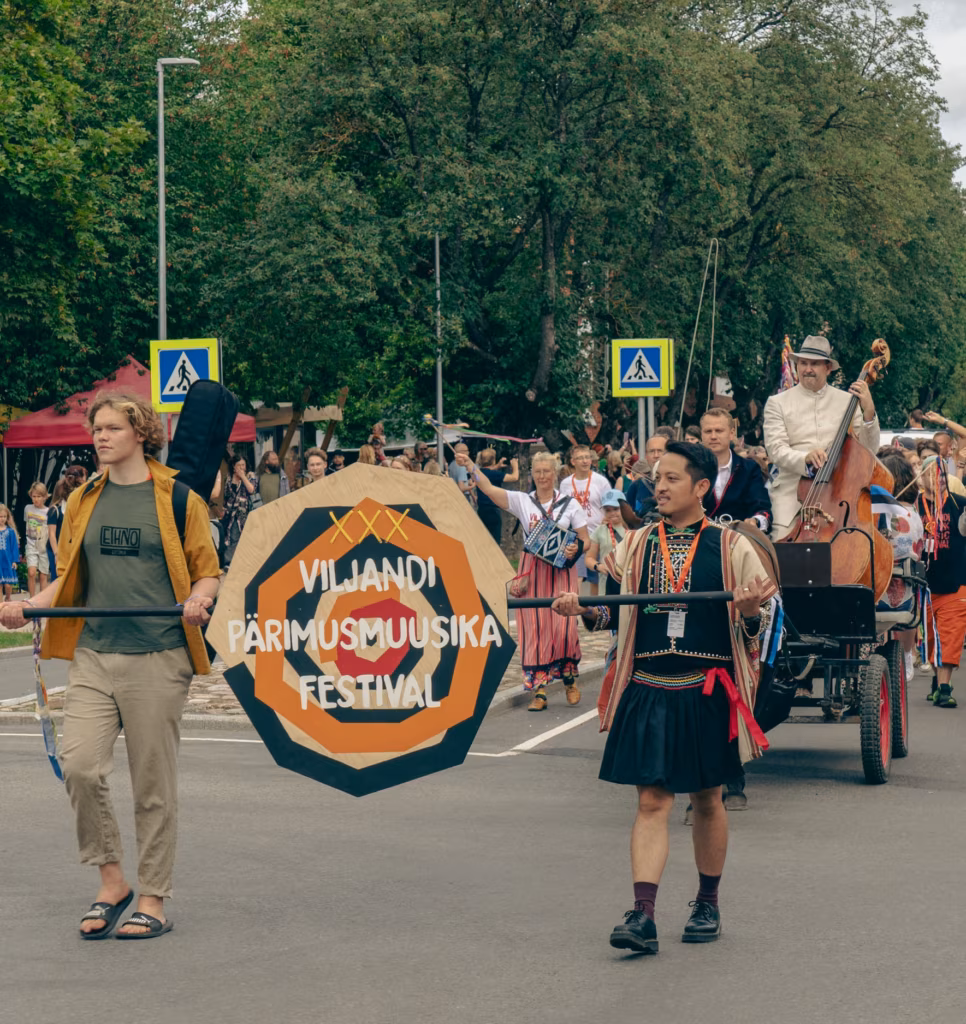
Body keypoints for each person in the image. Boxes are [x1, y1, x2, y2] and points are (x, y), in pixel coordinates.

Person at [0, 390, 220, 939]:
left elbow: (208, 571)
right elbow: (68, 575)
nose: (100, 436)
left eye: (113, 428)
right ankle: (112, 880)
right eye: (96, 428)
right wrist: (30, 606)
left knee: (152, 785)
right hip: (95, 653)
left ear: (140, 433)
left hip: (159, 655)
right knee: (79, 765)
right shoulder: (81, 501)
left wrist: (200, 599)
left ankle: (152, 897)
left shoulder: (178, 499)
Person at [550, 441, 774, 952]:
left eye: (673, 478)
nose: (661, 486)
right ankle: (643, 915)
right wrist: (580, 609)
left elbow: (759, 628)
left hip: (708, 690)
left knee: (707, 798)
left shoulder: (731, 546)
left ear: (701, 487)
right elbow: (611, 613)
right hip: (648, 688)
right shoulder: (634, 544)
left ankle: (707, 903)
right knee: (651, 800)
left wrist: (747, 611)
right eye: (657, 477)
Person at [457, 450, 589, 710]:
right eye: (538, 472)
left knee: (564, 626)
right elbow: (489, 490)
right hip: (534, 570)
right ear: (533, 475)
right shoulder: (523, 501)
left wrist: (577, 547)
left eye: (546, 472)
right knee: (536, 628)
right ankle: (539, 691)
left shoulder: (570, 504)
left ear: (555, 473)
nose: (542, 476)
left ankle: (569, 679)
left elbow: (585, 538)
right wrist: (471, 466)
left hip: (561, 569)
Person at [763, 335, 879, 539]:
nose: (807, 368)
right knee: (782, 546)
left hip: (838, 494)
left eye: (814, 364)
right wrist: (804, 458)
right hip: (790, 496)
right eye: (803, 363)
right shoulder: (777, 402)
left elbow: (868, 450)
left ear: (828, 368)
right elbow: (776, 450)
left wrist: (869, 411)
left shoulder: (848, 401)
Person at [915, 455, 966, 708]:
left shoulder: (960, 504)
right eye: (935, 474)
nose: (941, 479)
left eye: (944, 474)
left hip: (956, 583)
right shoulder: (913, 507)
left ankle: (945, 688)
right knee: (932, 639)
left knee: (951, 636)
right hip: (923, 585)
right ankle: (938, 680)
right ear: (922, 478)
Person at [700, 409, 772, 531]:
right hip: (698, 542)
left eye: (719, 431)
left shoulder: (749, 469)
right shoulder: (689, 468)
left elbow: (762, 509)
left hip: (738, 541)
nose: (713, 436)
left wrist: (755, 521)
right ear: (701, 434)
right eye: (708, 431)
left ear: (731, 433)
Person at [560, 445, 610, 595]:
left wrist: (607, 518)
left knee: (596, 580)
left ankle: (594, 614)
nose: (584, 461)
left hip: (596, 536)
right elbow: (562, 508)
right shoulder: (565, 484)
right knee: (577, 577)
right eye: (580, 458)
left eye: (587, 457)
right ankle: (574, 610)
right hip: (576, 537)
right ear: (573, 461)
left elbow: (610, 504)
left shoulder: (601, 481)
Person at [47, 467, 88, 583]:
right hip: (56, 549)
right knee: (58, 578)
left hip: (71, 547)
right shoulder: (55, 510)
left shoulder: (77, 507)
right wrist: (56, 553)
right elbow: (51, 534)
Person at [476, 449, 519, 545]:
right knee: (495, 540)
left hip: (481, 510)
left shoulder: (479, 473)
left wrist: (497, 466)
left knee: (484, 539)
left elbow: (487, 472)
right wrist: (515, 465)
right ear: (493, 460)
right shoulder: (495, 474)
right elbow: (514, 477)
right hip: (493, 510)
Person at [221, 454, 257, 564]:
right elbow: (225, 495)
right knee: (230, 538)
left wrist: (243, 477)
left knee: (242, 538)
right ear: (233, 466)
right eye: (239, 465)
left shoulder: (250, 476)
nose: (241, 467)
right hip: (229, 513)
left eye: (243, 465)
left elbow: (251, 490)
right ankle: (229, 561)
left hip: (244, 513)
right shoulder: (228, 478)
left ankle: (234, 561)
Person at [584, 490, 627, 578]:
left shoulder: (633, 527)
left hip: (630, 581)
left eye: (615, 509)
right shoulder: (600, 530)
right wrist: (598, 566)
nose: (612, 513)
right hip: (608, 581)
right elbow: (589, 558)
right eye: (608, 510)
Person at [24, 481, 50, 597]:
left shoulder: (48, 511)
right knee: (31, 572)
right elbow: (26, 524)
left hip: (43, 545)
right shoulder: (28, 508)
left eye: (39, 496)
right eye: (34, 496)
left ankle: (42, 602)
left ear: (44, 497)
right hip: (31, 544)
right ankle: (32, 599)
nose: (36, 499)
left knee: (43, 575)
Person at [0, 503, 20, 600]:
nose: (2, 519)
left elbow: (14, 547)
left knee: (8, 585)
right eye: (0, 516)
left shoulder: (11, 532)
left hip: (7, 561)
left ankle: (8, 598)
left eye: (4, 516)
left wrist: (14, 561)